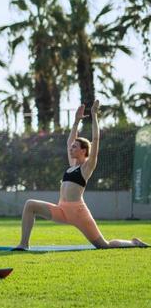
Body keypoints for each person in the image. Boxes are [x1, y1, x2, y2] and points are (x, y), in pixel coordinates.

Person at [13, 101, 147, 250]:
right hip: (62, 210)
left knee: (103, 245)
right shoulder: (72, 166)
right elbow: (69, 141)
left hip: (78, 213)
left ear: (83, 150)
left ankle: (134, 242)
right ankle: (23, 244)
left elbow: (95, 140)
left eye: (75, 147)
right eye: (71, 147)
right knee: (30, 204)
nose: (71, 148)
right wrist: (76, 121)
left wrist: (94, 115)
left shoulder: (86, 167)